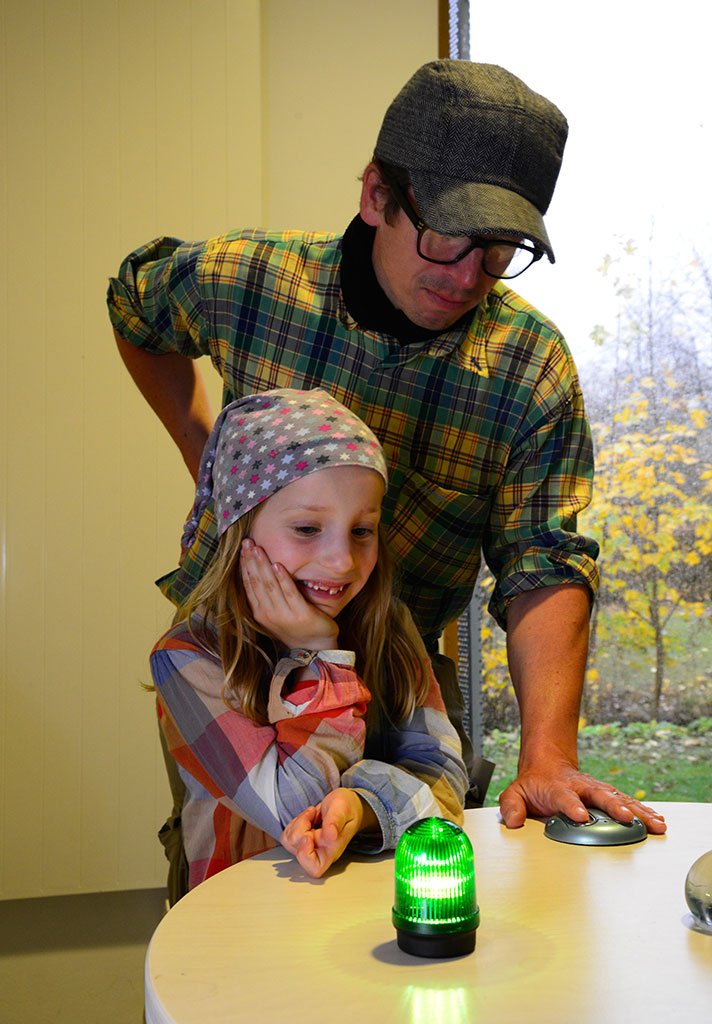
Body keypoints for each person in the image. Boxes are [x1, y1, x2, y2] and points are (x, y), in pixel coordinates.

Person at [108, 59, 667, 853]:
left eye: (501, 251)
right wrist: (209, 462)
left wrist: (547, 753)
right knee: (238, 867)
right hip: (231, 670)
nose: (469, 276)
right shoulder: (250, 280)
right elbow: (134, 306)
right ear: (377, 195)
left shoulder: (528, 367)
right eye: (448, 239)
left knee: (411, 874)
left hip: (399, 670)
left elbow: (543, 560)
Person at [151, 387, 467, 890]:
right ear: (240, 528)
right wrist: (321, 656)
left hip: (366, 904)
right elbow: (297, 808)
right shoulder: (188, 657)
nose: (341, 561)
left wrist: (361, 805)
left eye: (362, 531)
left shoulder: (390, 628)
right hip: (237, 917)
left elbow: (446, 781)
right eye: (306, 528)